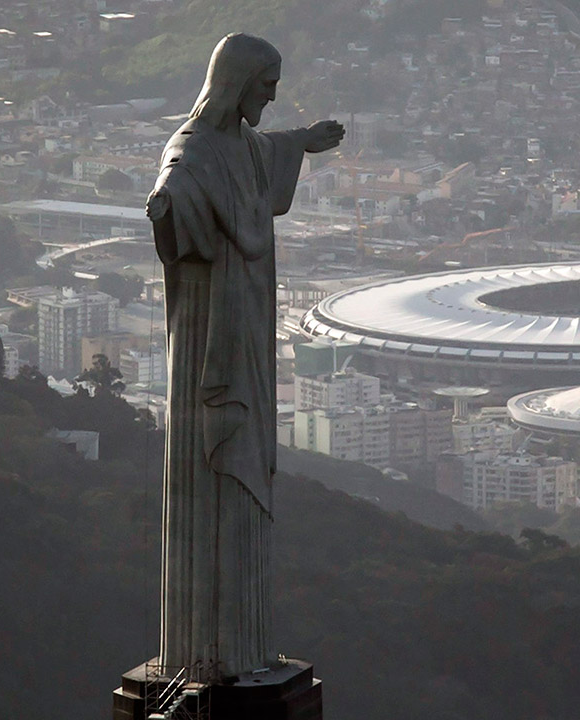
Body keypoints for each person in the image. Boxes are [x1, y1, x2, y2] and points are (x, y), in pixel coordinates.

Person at [146, 33, 343, 680]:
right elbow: (178, 186)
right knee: (212, 479)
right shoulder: (193, 153)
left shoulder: (243, 146)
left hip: (248, 327)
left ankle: (245, 648)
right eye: (265, 86)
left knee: (248, 477)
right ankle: (208, 655)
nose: (272, 96)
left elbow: (263, 152)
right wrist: (167, 205)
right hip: (210, 334)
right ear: (236, 84)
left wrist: (301, 140)